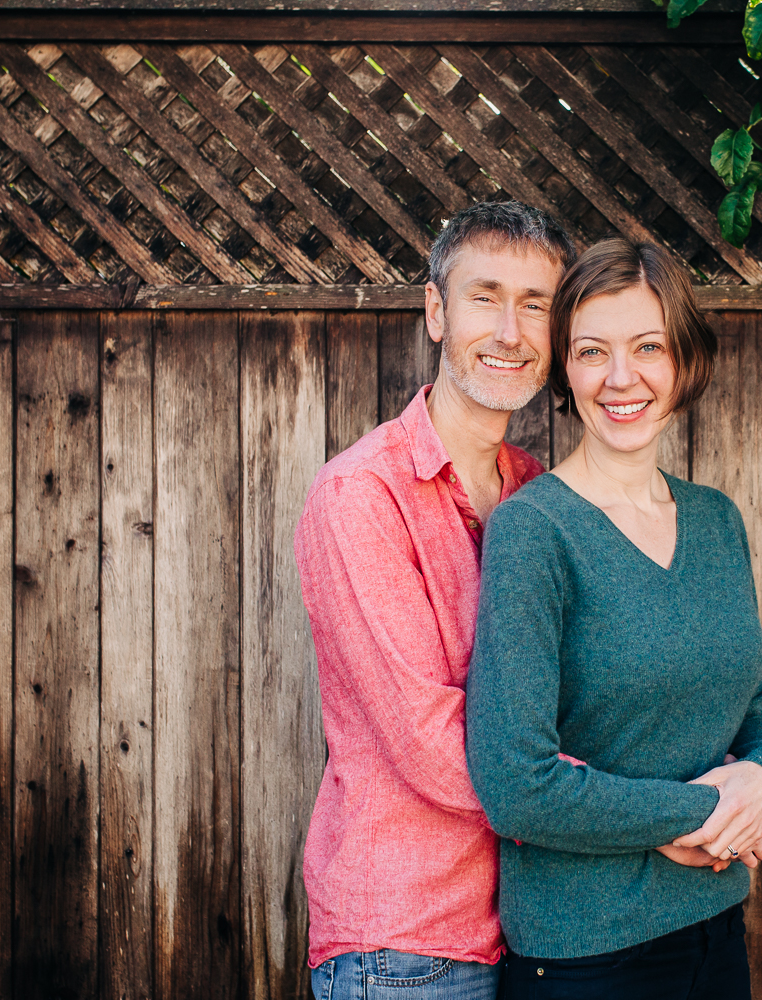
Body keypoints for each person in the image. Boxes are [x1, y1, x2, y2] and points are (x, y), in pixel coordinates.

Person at [465, 238, 762, 999]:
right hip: (587, 955)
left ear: (683, 359)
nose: (622, 379)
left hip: (717, 931)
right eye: (592, 351)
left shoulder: (717, 522)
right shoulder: (534, 532)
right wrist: (703, 812)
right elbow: (514, 783)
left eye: (647, 346)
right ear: (564, 369)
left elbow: (751, 714)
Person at [292, 201, 576, 1000]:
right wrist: (637, 814)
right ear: (435, 311)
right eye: (485, 296)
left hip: (529, 931)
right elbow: (430, 740)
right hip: (407, 949)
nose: (511, 331)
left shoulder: (539, 495)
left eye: (537, 305)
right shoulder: (362, 495)